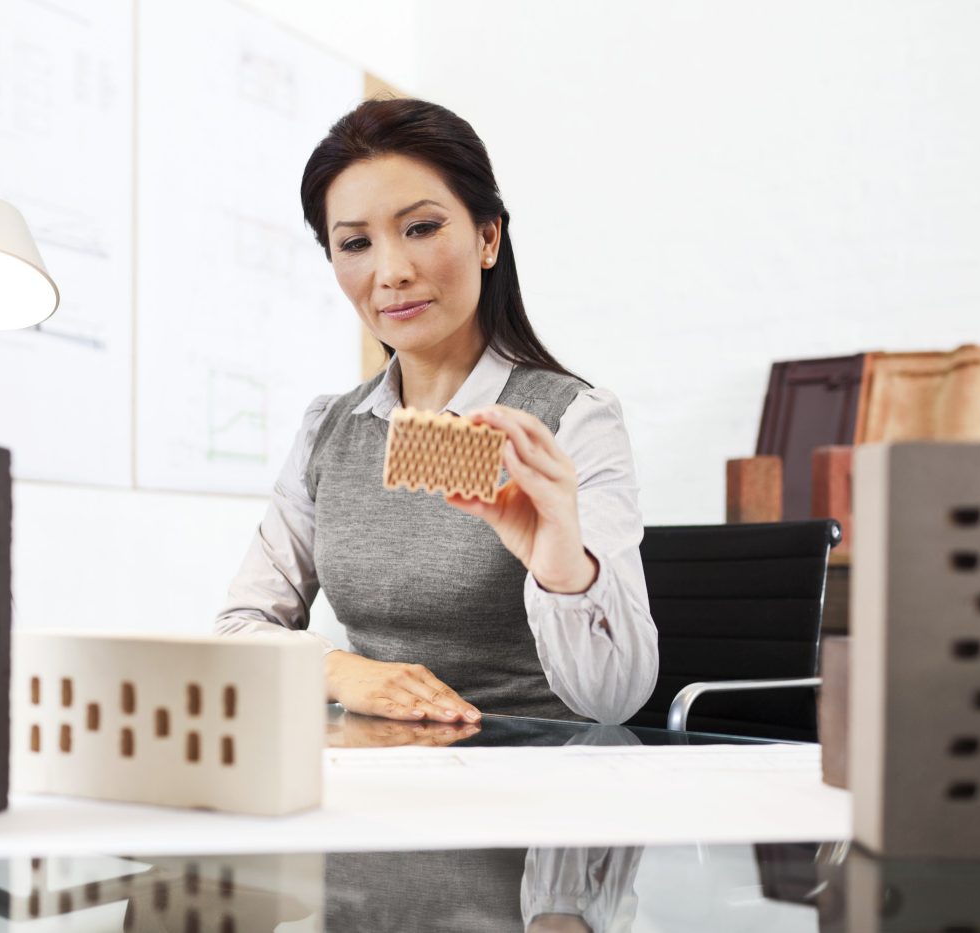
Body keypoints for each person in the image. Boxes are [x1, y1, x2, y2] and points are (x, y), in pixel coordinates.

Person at [214, 98, 657, 725]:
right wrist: (338, 671)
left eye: (421, 228)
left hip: (536, 784)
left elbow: (615, 701)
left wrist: (561, 566)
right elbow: (237, 628)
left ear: (487, 237)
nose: (391, 272)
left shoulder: (571, 420)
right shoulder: (329, 430)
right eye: (356, 243)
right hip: (377, 782)